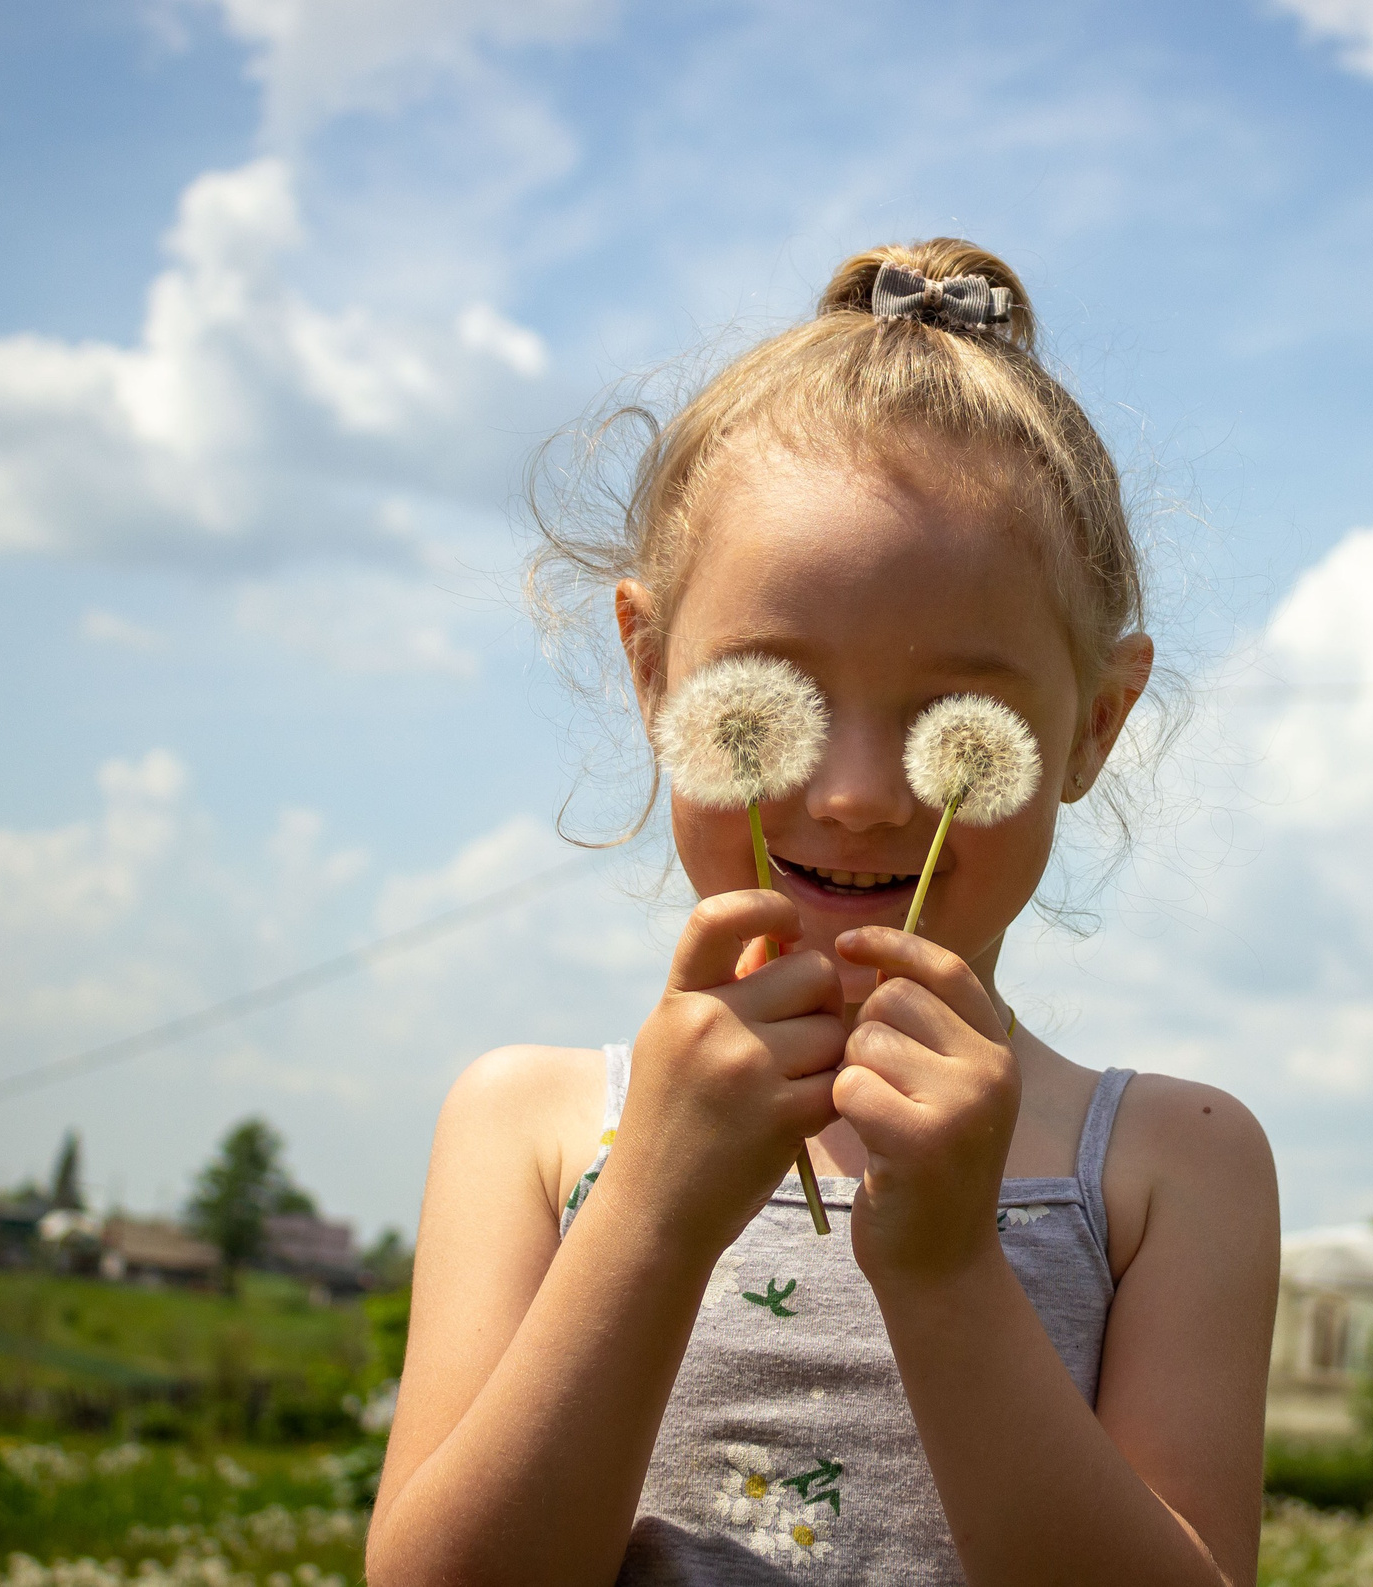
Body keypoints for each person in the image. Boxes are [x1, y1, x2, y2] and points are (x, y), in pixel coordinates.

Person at [366, 240, 1282, 1586]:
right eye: (770, 695)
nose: (855, 799)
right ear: (650, 671)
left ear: (1093, 726)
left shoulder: (1171, 1169)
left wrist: (948, 1272)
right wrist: (654, 1215)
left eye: (950, 722)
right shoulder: (532, 1130)